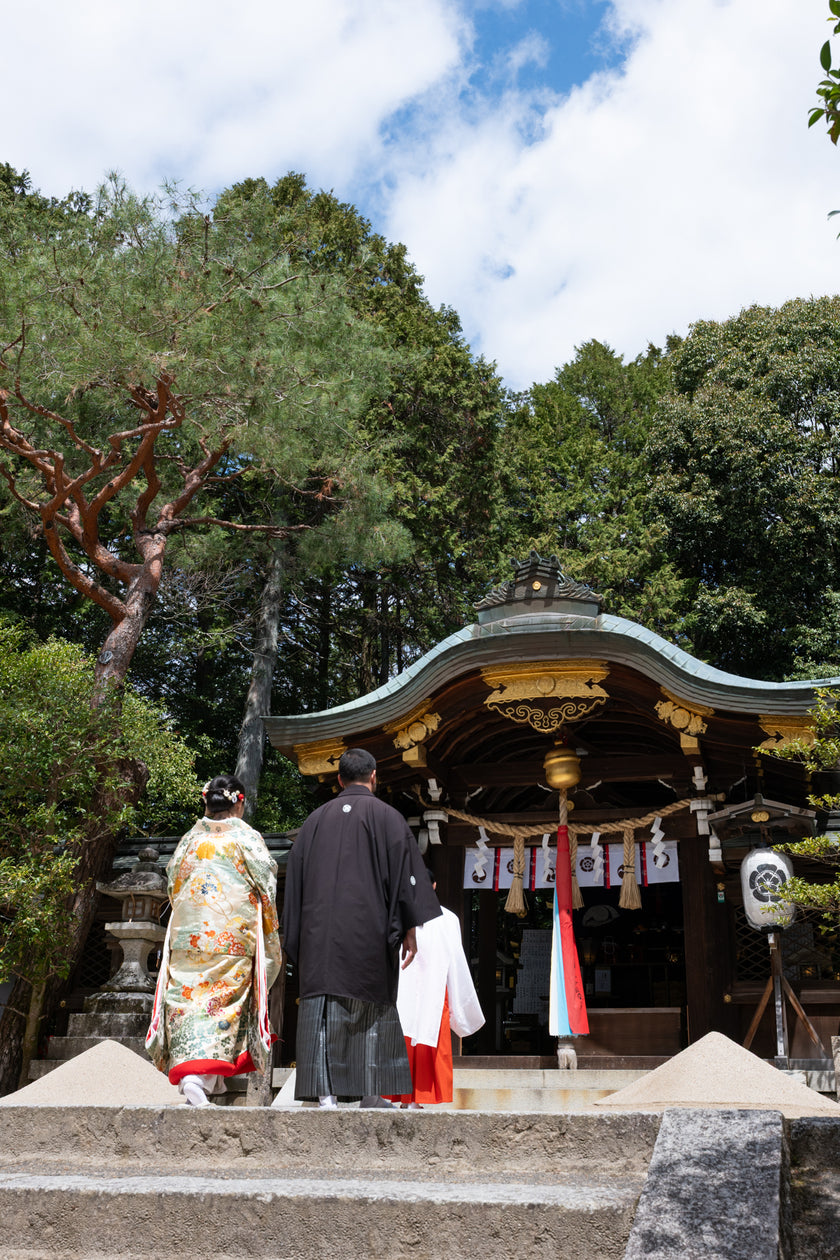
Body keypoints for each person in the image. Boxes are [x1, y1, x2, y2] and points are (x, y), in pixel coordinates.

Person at [282, 747, 441, 1108]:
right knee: (371, 1006)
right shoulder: (389, 818)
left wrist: (297, 934)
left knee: (323, 1006)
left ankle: (325, 1095)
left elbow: (295, 883)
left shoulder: (314, 822)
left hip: (318, 934)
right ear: (373, 776)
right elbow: (406, 879)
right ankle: (371, 1093)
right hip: (370, 930)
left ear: (339, 780)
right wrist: (410, 928)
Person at [146, 774, 283, 1107]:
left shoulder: (189, 839)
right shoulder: (247, 837)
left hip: (187, 936)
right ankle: (199, 1077)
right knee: (218, 1006)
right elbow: (266, 883)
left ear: (206, 802)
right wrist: (268, 925)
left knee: (189, 1003)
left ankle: (210, 1079)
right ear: (239, 802)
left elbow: (173, 885)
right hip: (230, 935)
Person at [388, 871, 484, 1109]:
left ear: (433, 885)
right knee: (410, 1037)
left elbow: (456, 959)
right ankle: (409, 1098)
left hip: (431, 987)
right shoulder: (404, 916)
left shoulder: (447, 918)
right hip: (412, 989)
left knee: (421, 1036)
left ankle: (414, 1098)